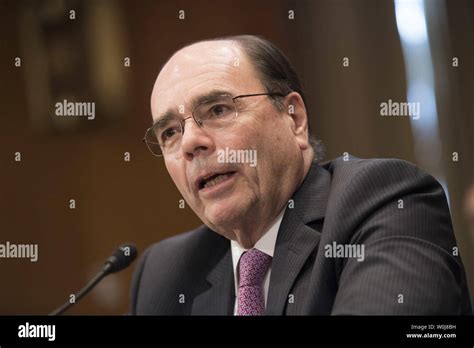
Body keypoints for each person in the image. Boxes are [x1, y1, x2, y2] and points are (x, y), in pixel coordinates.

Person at [130, 35, 472, 315]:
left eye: (218, 110)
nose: (190, 142)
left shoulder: (384, 201)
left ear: (294, 119)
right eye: (170, 133)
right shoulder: (164, 273)